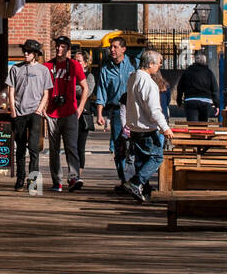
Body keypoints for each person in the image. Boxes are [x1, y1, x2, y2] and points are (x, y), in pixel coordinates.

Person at [124, 48, 173, 203]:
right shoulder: (149, 83)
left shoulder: (133, 77)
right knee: (157, 157)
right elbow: (155, 110)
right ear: (150, 63)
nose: (159, 66)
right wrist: (165, 128)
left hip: (135, 127)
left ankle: (142, 188)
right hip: (147, 128)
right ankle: (136, 182)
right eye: (159, 63)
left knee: (141, 159)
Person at [6, 40, 53, 191]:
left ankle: (33, 182)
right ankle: (20, 179)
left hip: (35, 112)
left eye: (29, 52)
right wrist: (12, 109)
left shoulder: (43, 70)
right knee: (20, 148)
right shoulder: (15, 69)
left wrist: (40, 109)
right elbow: (11, 90)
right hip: (19, 112)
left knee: (34, 148)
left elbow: (46, 92)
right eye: (24, 51)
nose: (25, 54)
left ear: (36, 54)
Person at [45, 35, 88, 192]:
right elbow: (41, 88)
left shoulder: (74, 65)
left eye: (63, 46)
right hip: (52, 113)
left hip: (70, 112)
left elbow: (86, 88)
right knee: (53, 149)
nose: (59, 49)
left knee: (71, 147)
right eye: (57, 46)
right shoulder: (48, 66)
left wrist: (80, 108)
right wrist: (42, 108)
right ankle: (57, 181)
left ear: (68, 49)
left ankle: (74, 177)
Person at [94, 36, 135, 193]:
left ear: (123, 49)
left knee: (133, 146)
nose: (112, 50)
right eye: (111, 47)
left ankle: (134, 179)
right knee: (119, 147)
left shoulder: (133, 65)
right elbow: (102, 92)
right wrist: (99, 114)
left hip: (133, 110)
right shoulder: (106, 69)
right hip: (116, 111)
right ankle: (124, 180)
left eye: (115, 47)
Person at [177, 50, 220, 123]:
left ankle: (194, 134)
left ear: (195, 59)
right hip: (205, 102)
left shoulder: (187, 71)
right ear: (205, 60)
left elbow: (180, 87)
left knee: (193, 125)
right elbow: (215, 89)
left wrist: (179, 101)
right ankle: (202, 134)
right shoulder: (208, 72)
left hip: (191, 100)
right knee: (203, 125)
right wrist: (216, 104)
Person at [72, 47, 97, 173]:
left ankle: (79, 173)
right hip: (69, 113)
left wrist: (71, 88)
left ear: (86, 63)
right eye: (74, 60)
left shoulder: (89, 76)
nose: (76, 63)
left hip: (83, 115)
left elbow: (85, 92)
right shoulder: (70, 75)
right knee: (71, 146)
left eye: (79, 61)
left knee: (80, 146)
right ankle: (72, 171)